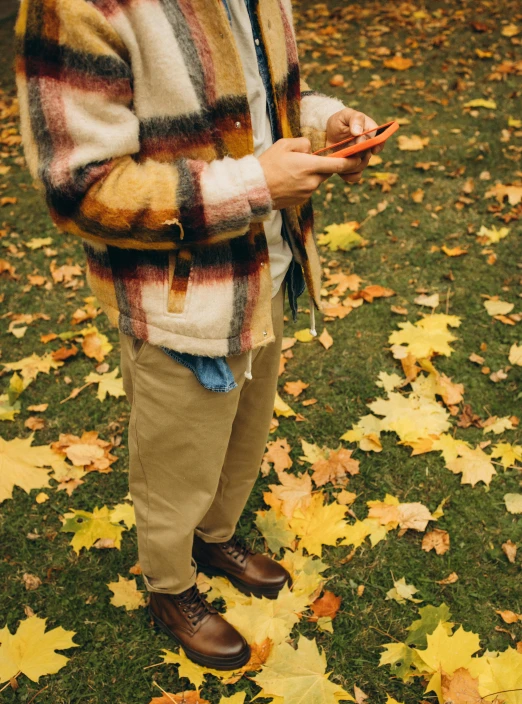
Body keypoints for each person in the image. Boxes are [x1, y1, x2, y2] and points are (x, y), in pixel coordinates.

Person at [15, 0, 382, 670]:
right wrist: (255, 183)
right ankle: (169, 583)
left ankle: (215, 538)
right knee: (177, 454)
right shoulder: (74, 8)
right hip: (179, 296)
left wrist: (328, 121)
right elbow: (79, 186)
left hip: (267, 269)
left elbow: (265, 102)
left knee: (242, 434)